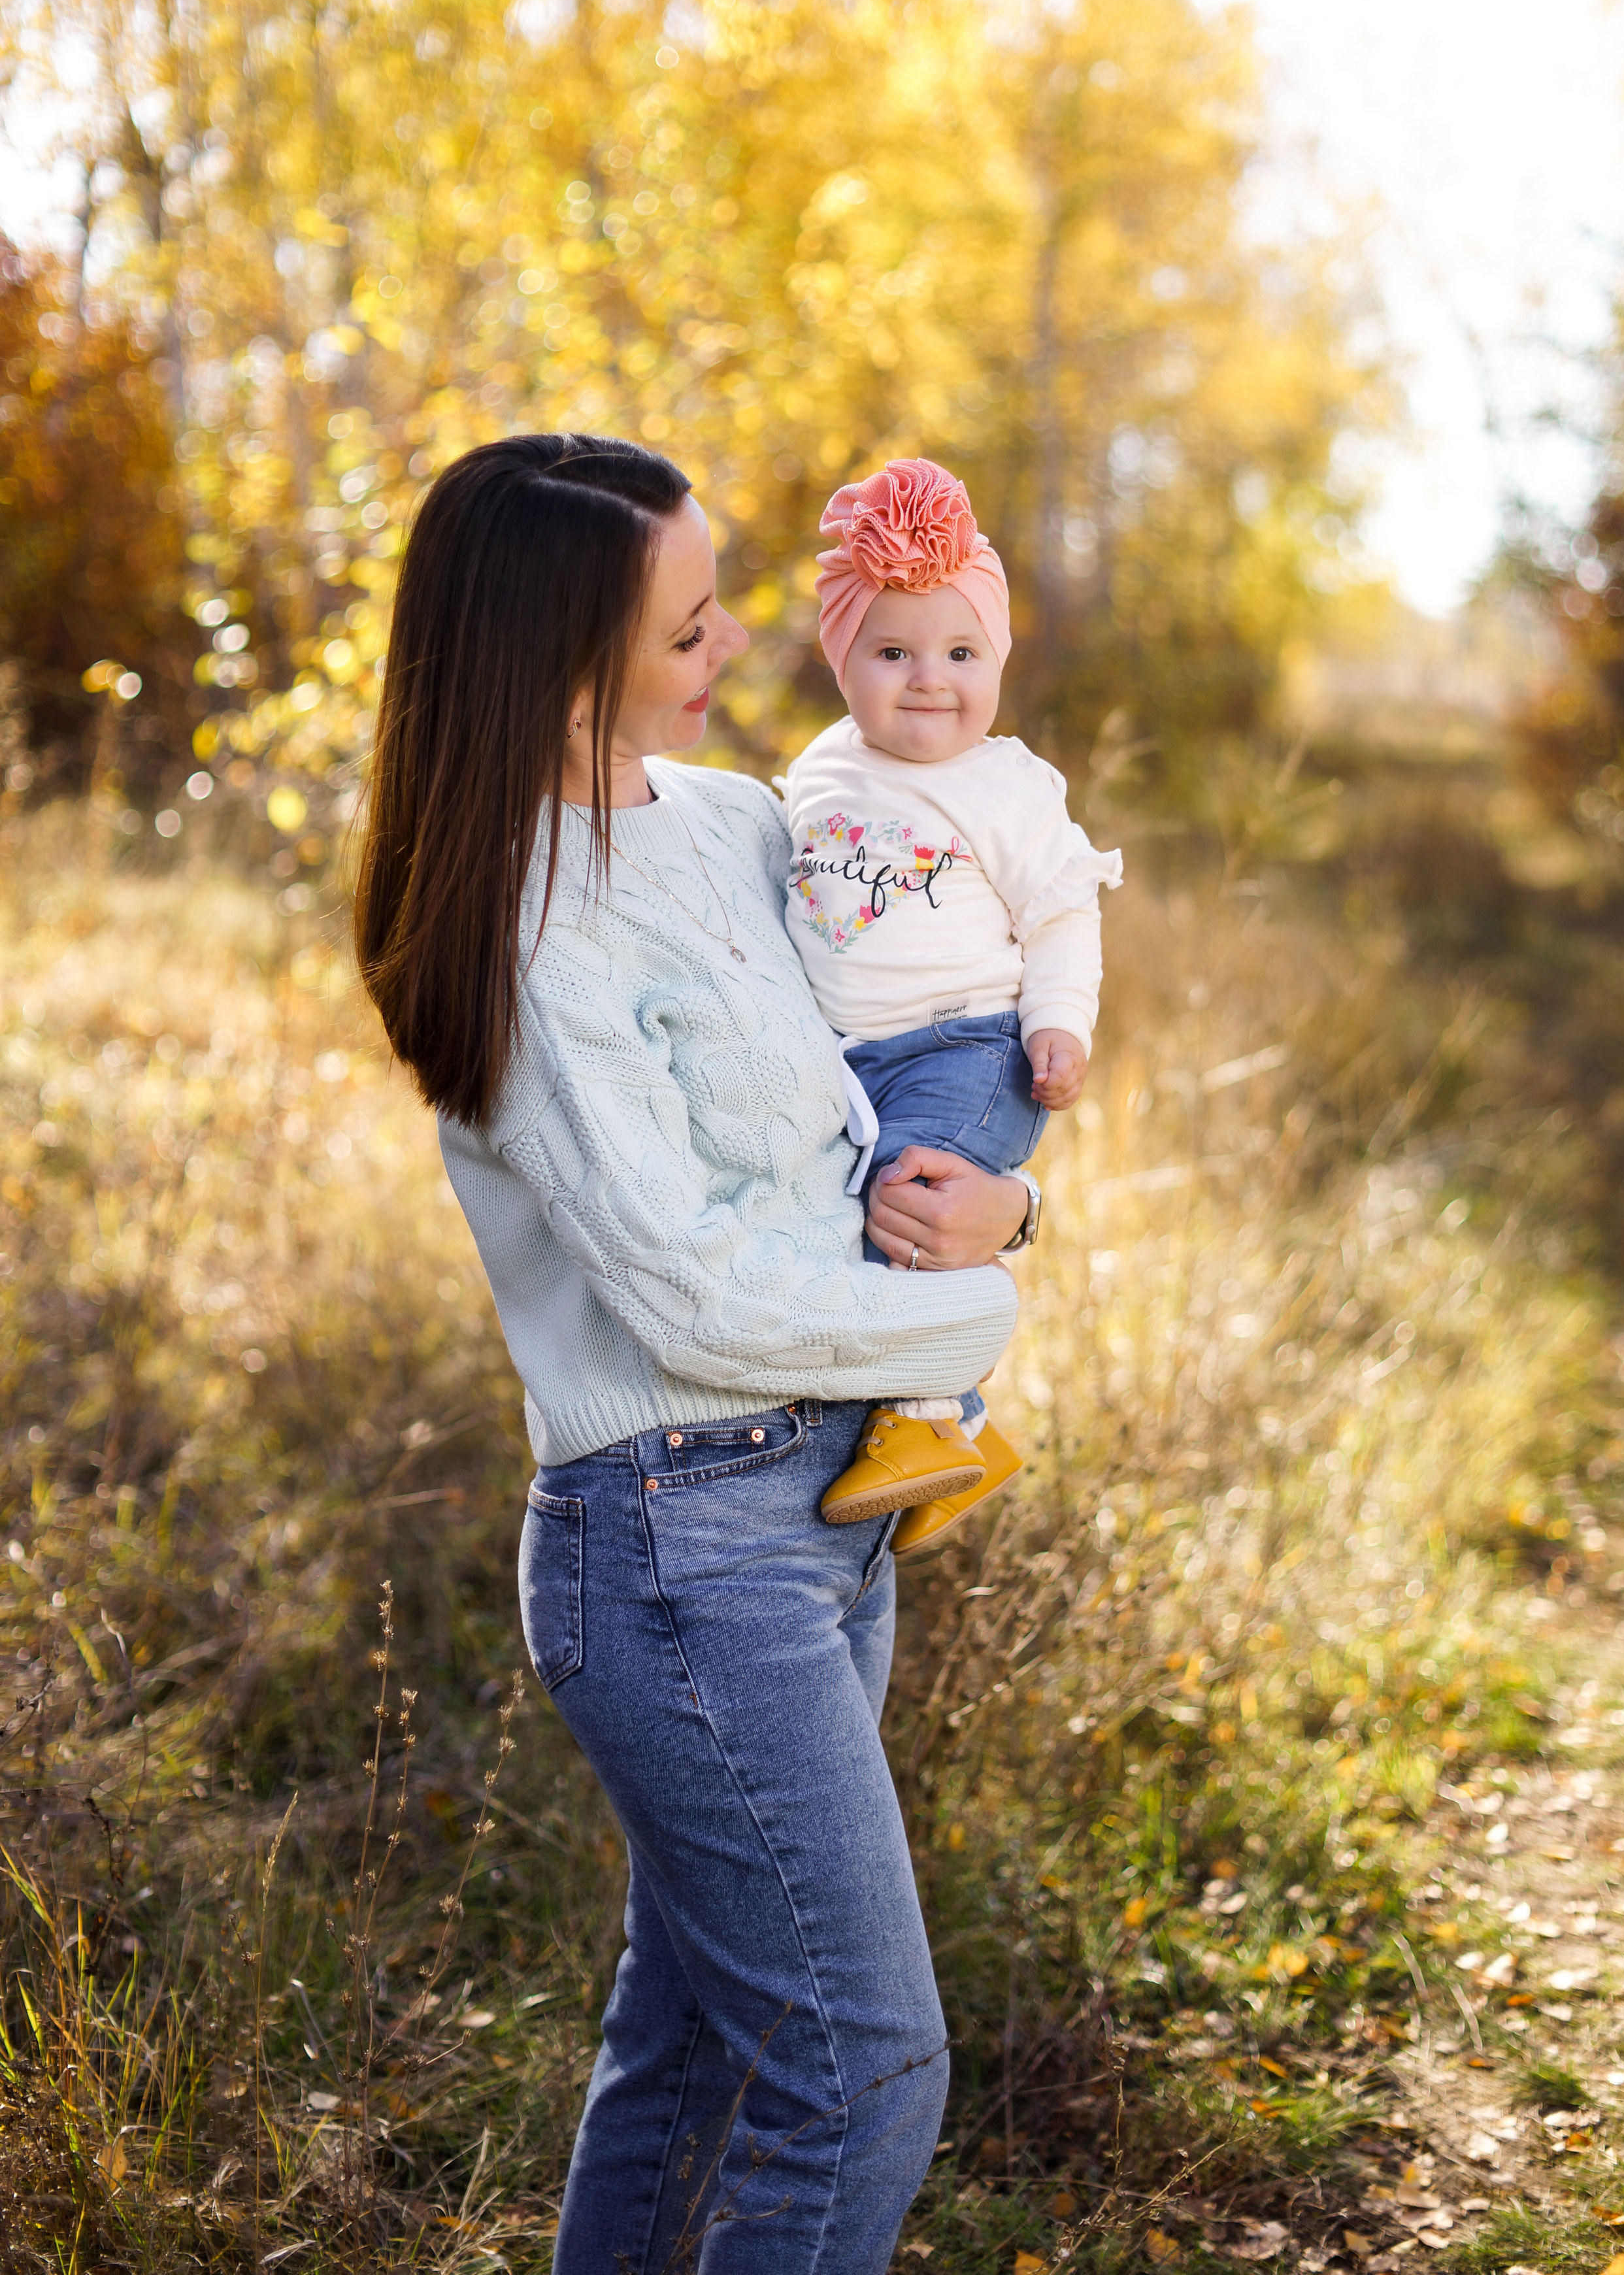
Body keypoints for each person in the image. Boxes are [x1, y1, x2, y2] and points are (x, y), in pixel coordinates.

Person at [352, 432, 1033, 2275]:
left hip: (830, 1506)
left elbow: (904, 1081)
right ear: (552, 655)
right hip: (675, 1547)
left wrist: (1009, 1214)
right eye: (683, 626)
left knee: (701, 2049)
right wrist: (985, 1312)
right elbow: (697, 1291)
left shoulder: (736, 824)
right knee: (865, 2068)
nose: (733, 642)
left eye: (719, 599)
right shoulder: (526, 924)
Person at [780, 459, 1122, 1548]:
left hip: (970, 1049)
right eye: (893, 652)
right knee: (860, 1216)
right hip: (855, 1064)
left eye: (962, 653)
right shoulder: (821, 772)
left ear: (998, 659)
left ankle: (932, 1419)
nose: (931, 680)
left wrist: (1060, 1025)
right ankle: (953, 1432)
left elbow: (1064, 916)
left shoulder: (1006, 784)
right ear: (843, 660)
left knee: (918, 1201)